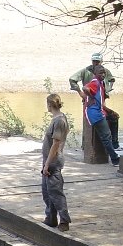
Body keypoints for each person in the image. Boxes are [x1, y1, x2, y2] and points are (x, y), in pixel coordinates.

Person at [69, 52, 121, 150]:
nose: (96, 63)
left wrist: (107, 90)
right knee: (90, 122)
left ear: (101, 61)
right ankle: (88, 146)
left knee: (111, 117)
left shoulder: (105, 71)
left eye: (97, 61)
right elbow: (72, 79)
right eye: (94, 61)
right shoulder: (86, 71)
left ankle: (112, 144)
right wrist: (80, 92)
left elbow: (111, 80)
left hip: (101, 101)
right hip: (89, 102)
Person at [41, 93, 72, 232]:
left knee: (55, 191)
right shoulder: (57, 118)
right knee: (47, 191)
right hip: (48, 159)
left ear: (50, 104)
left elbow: (56, 144)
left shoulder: (59, 120)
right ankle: (51, 218)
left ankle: (64, 220)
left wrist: (47, 164)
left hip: (52, 161)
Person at [84, 74, 121, 167]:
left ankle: (115, 144)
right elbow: (85, 88)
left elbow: (100, 101)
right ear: (95, 73)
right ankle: (115, 159)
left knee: (114, 118)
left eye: (104, 72)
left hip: (100, 111)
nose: (103, 74)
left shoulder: (101, 83)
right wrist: (90, 97)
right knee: (106, 136)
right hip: (95, 114)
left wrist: (110, 111)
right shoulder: (95, 82)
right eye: (100, 72)